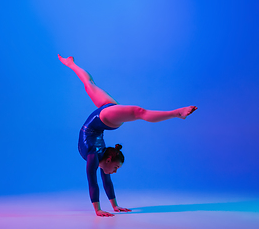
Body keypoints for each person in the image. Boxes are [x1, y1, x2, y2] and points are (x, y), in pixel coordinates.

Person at [58, 55, 197, 217]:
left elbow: (93, 182)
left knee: (139, 112)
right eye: (117, 168)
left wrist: (100, 210)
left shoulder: (93, 156)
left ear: (109, 160)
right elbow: (106, 182)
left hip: (104, 117)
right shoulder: (102, 159)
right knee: (89, 84)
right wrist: (113, 206)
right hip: (104, 115)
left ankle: (177, 113)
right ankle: (71, 64)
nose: (115, 171)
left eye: (116, 168)